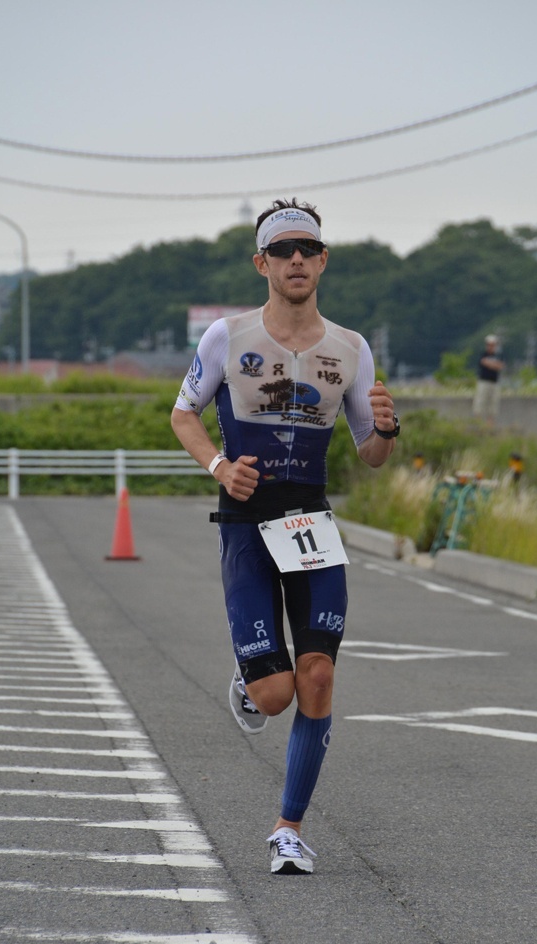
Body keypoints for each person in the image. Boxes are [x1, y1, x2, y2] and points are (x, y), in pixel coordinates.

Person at [171, 198, 398, 874]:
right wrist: (219, 464)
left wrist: (386, 429)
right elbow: (183, 414)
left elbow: (371, 453)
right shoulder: (226, 336)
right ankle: (249, 683)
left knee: (319, 674)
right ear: (262, 263)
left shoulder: (350, 349)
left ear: (323, 260)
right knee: (274, 695)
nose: (296, 260)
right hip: (245, 523)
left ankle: (287, 828)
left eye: (308, 249)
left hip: (311, 524)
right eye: (283, 251)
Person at [473, 334, 504, 426]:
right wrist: (494, 364)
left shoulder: (498, 355)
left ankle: (490, 424)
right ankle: (477, 423)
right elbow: (484, 362)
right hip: (483, 381)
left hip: (494, 382)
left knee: (493, 404)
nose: (491, 346)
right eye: (489, 344)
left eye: (493, 344)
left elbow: (500, 366)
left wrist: (491, 364)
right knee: (480, 402)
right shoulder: (483, 354)